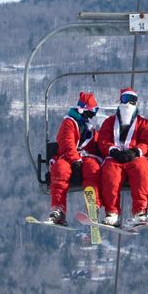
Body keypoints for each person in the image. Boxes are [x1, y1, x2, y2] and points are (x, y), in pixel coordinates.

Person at [92, 87, 148, 226]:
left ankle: (140, 211)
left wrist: (136, 151)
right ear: (120, 101)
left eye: (132, 100)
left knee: (142, 170)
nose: (128, 104)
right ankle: (112, 212)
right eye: (125, 99)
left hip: (135, 156)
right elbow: (103, 140)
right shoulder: (109, 122)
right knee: (110, 173)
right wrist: (113, 151)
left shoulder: (144, 123)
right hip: (115, 156)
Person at [47, 89, 101, 225]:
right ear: (85, 110)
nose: (93, 115)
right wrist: (75, 160)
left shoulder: (88, 126)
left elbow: (96, 142)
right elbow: (67, 143)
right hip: (67, 156)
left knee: (92, 168)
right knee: (60, 169)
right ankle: (58, 209)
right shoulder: (69, 123)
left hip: (84, 156)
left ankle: (92, 205)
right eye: (93, 111)